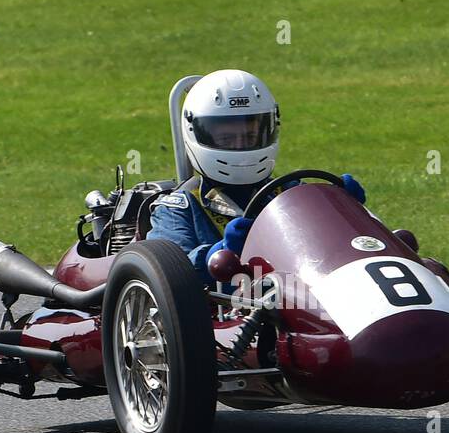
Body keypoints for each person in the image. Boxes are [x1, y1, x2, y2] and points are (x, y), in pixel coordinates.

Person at [147, 69, 364, 283]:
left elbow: (324, 245)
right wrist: (222, 251)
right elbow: (172, 274)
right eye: (227, 138)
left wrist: (343, 209)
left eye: (250, 136)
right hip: (228, 313)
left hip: (297, 299)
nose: (240, 146)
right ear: (196, 133)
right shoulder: (177, 208)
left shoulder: (289, 190)